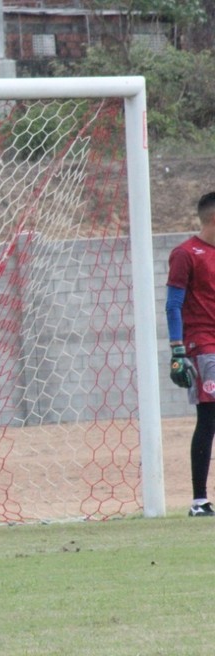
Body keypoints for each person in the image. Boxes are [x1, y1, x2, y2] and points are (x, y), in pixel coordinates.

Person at [166, 191, 215, 517]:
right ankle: (199, 501)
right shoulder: (186, 253)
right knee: (209, 419)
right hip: (204, 346)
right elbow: (173, 304)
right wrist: (177, 350)